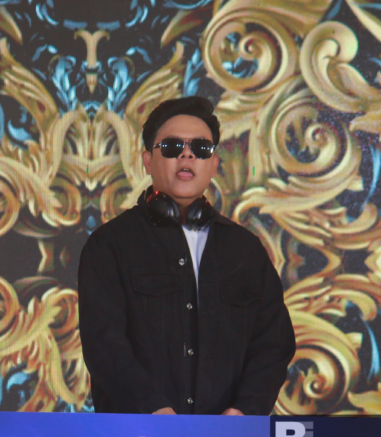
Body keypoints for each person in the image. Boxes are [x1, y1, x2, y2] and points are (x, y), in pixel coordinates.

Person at [78, 96, 296, 415]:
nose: (187, 154)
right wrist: (152, 409)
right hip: (137, 436)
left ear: (214, 164)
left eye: (201, 148)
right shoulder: (109, 245)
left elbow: (273, 345)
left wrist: (244, 412)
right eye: (171, 147)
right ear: (147, 161)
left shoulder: (246, 250)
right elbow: (104, 345)